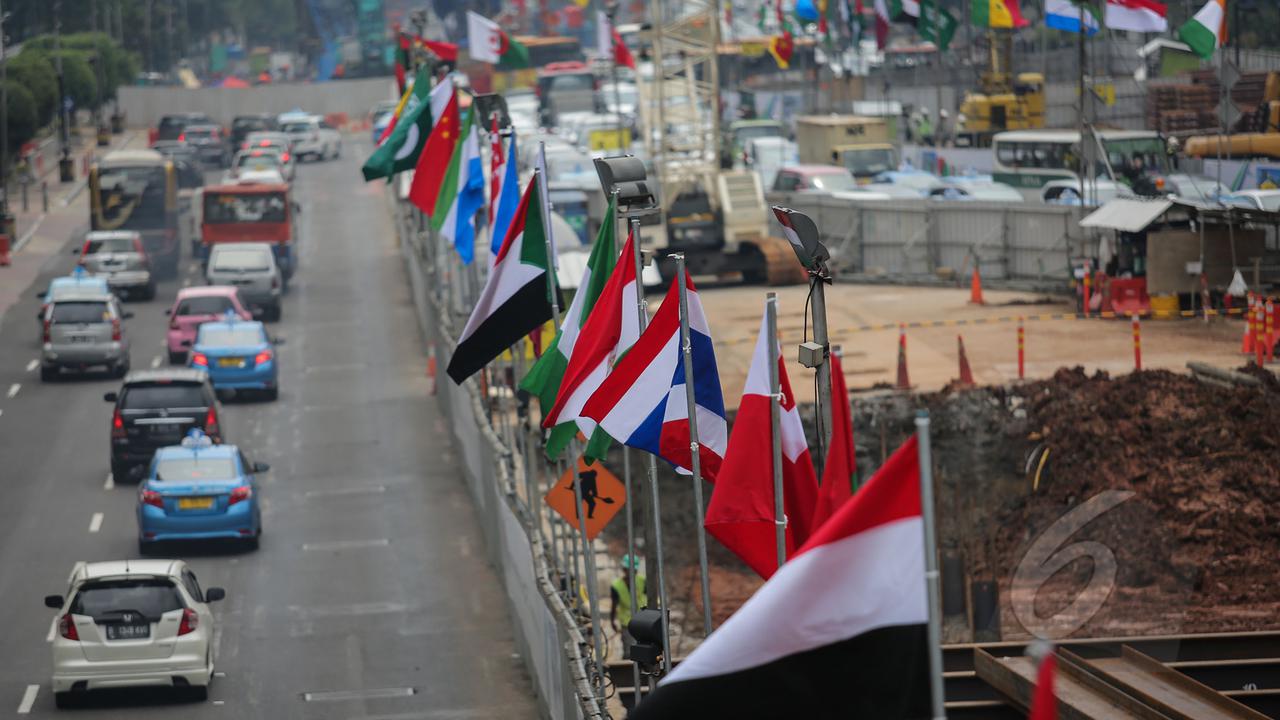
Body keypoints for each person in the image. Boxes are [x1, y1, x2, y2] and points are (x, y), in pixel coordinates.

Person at [610, 554, 647, 654]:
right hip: (627, 623)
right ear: (624, 569)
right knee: (630, 651)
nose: (631, 573)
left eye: (633, 570)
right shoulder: (616, 586)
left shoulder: (642, 580)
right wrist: (612, 621)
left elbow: (650, 597)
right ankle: (631, 668)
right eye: (628, 570)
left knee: (645, 650)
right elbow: (614, 605)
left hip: (643, 621)